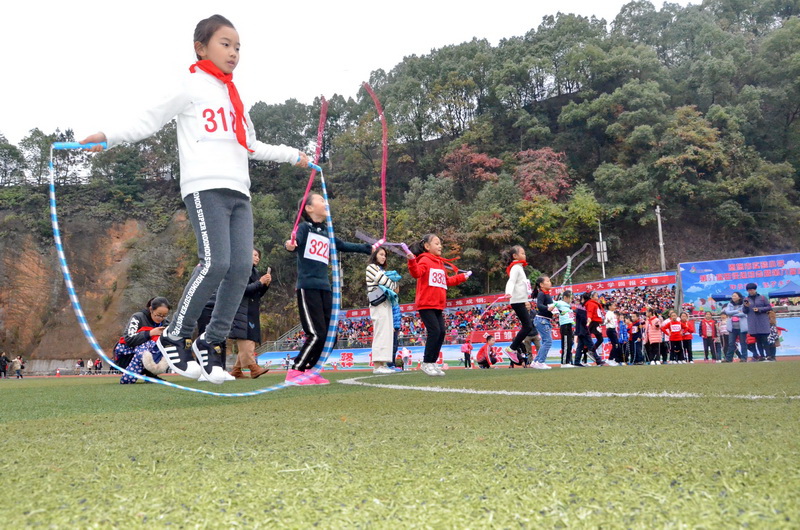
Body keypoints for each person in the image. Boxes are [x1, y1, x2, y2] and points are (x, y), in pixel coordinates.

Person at [80, 15, 310, 385]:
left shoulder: (234, 97)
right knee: (215, 262)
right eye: (225, 44)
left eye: (238, 47)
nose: (234, 52)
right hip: (206, 187)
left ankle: (211, 340)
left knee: (239, 270)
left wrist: (293, 154)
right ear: (201, 47)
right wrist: (109, 135)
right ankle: (175, 334)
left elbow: (251, 144)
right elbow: (149, 119)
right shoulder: (190, 87)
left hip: (239, 192)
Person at [285, 193, 373, 385]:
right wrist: (290, 245)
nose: (326, 203)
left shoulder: (326, 231)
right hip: (308, 287)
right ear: (309, 208)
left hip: (325, 288)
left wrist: (367, 248)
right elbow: (293, 243)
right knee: (316, 334)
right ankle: (296, 371)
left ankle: (312, 370)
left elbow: (342, 245)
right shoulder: (303, 228)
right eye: (321, 200)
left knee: (330, 336)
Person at [406, 234, 471, 377]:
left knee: (441, 332)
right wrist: (411, 261)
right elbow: (416, 273)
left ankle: (432, 362)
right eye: (436, 243)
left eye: (440, 243)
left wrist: (462, 277)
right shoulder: (424, 260)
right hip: (426, 303)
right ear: (427, 246)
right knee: (435, 331)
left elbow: (447, 281)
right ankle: (426, 362)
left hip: (437, 304)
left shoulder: (440, 263)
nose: (440, 246)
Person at [223, 249, 271, 379]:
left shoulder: (253, 271)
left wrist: (265, 285)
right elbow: (243, 290)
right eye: (255, 255)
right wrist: (260, 282)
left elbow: (256, 293)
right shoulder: (242, 270)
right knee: (246, 338)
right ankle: (253, 367)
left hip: (251, 309)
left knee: (250, 338)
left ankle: (236, 370)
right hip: (242, 309)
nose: (257, 258)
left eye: (258, 256)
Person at [114, 298, 172, 384]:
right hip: (126, 353)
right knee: (147, 347)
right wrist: (150, 333)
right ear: (151, 309)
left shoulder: (166, 323)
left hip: (148, 356)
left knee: (165, 343)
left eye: (164, 315)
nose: (161, 318)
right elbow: (129, 339)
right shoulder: (138, 317)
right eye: (158, 315)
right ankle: (128, 378)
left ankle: (151, 374)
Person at [366, 246, 402, 375]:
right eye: (381, 254)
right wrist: (393, 282)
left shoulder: (380, 269)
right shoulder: (371, 268)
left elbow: (391, 285)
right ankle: (377, 364)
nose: (383, 257)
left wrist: (392, 283)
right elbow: (384, 281)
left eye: (385, 255)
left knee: (386, 333)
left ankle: (383, 363)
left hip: (386, 302)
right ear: (375, 255)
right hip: (378, 302)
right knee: (380, 332)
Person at [500, 245, 531, 364]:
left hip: (521, 300)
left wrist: (526, 299)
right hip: (517, 300)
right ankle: (511, 348)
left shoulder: (519, 267)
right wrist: (508, 292)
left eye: (524, 253)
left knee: (528, 326)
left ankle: (512, 348)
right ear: (515, 256)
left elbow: (522, 285)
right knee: (527, 326)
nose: (524, 255)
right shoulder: (516, 268)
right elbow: (511, 281)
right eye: (522, 253)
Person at [742, 282, 773, 361]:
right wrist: (746, 307)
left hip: (762, 321)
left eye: (752, 289)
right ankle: (761, 356)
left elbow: (769, 307)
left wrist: (759, 309)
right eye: (749, 290)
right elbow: (744, 311)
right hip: (753, 322)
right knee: (758, 340)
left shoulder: (762, 298)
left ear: (755, 290)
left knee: (765, 339)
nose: (751, 291)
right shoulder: (746, 299)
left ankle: (769, 355)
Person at [723, 292, 749, 362]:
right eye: (732, 296)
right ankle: (728, 358)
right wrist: (738, 311)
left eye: (735, 296)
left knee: (743, 343)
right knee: (731, 343)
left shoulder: (744, 303)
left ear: (739, 297)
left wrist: (733, 314)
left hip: (741, 327)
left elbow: (744, 313)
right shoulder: (730, 304)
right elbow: (727, 312)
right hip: (732, 327)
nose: (733, 297)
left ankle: (744, 358)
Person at [554, 291, 575, 368]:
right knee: (566, 344)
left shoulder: (568, 305)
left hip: (569, 325)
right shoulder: (560, 303)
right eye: (570, 298)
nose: (571, 300)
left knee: (569, 344)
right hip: (564, 326)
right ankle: (564, 362)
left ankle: (568, 361)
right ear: (566, 297)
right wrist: (557, 298)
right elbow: (552, 303)